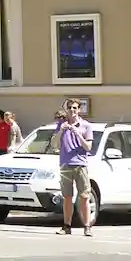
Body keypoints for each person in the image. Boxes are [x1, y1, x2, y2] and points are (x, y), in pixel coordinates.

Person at [54, 99, 93, 236]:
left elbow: (88, 147)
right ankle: (66, 226)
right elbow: (55, 144)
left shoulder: (86, 126)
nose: (72, 110)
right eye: (70, 108)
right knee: (67, 197)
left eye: (75, 108)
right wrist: (61, 131)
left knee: (84, 196)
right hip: (65, 164)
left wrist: (78, 134)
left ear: (79, 109)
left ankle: (87, 226)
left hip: (80, 164)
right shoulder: (61, 124)